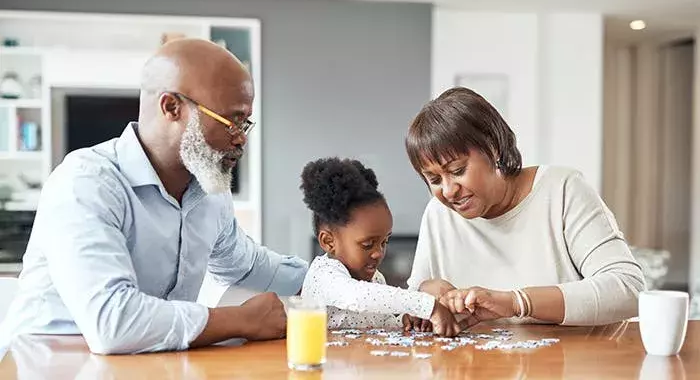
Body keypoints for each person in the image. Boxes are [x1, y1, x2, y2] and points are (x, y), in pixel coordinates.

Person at [0, 39, 308, 354]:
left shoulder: (209, 189)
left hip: (143, 363)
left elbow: (245, 264)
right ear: (171, 107)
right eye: (232, 122)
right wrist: (241, 320)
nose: (241, 138)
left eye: (245, 123)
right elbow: (113, 323)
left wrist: (335, 276)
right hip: (47, 363)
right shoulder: (85, 183)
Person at [404, 87, 645, 327]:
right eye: (434, 180)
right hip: (477, 365)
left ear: (493, 147)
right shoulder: (438, 214)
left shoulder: (561, 190)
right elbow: (411, 301)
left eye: (458, 171)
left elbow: (628, 289)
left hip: (573, 362)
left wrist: (517, 303)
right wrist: (427, 292)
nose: (448, 191)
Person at [299, 157, 461, 336]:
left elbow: (381, 324)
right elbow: (356, 297)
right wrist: (427, 306)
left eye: (385, 242)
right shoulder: (324, 274)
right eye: (367, 245)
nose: (379, 253)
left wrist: (405, 320)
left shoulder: (376, 279)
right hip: (325, 362)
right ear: (329, 242)